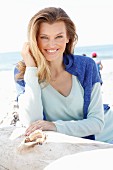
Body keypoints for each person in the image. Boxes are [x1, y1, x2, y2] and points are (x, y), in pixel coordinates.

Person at [14, 7, 113, 143]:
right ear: (34, 40)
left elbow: (97, 123)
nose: (52, 44)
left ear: (68, 37)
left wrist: (55, 126)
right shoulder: (24, 72)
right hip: (65, 147)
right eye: (44, 37)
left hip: (104, 135)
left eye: (59, 36)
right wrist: (32, 68)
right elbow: (32, 123)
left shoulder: (86, 66)